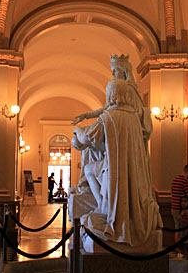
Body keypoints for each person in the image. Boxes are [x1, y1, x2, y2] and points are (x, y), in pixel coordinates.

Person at [68, 55, 162, 248]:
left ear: (112, 94)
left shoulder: (108, 118)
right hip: (133, 170)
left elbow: (86, 139)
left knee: (88, 169)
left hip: (114, 168)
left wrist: (77, 131)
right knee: (92, 164)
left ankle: (104, 207)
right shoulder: (133, 118)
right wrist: (87, 115)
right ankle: (108, 207)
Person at [171, 164, 188, 236]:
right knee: (182, 229)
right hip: (181, 208)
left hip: (173, 207)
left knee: (177, 228)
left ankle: (177, 245)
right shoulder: (185, 181)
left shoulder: (175, 180)